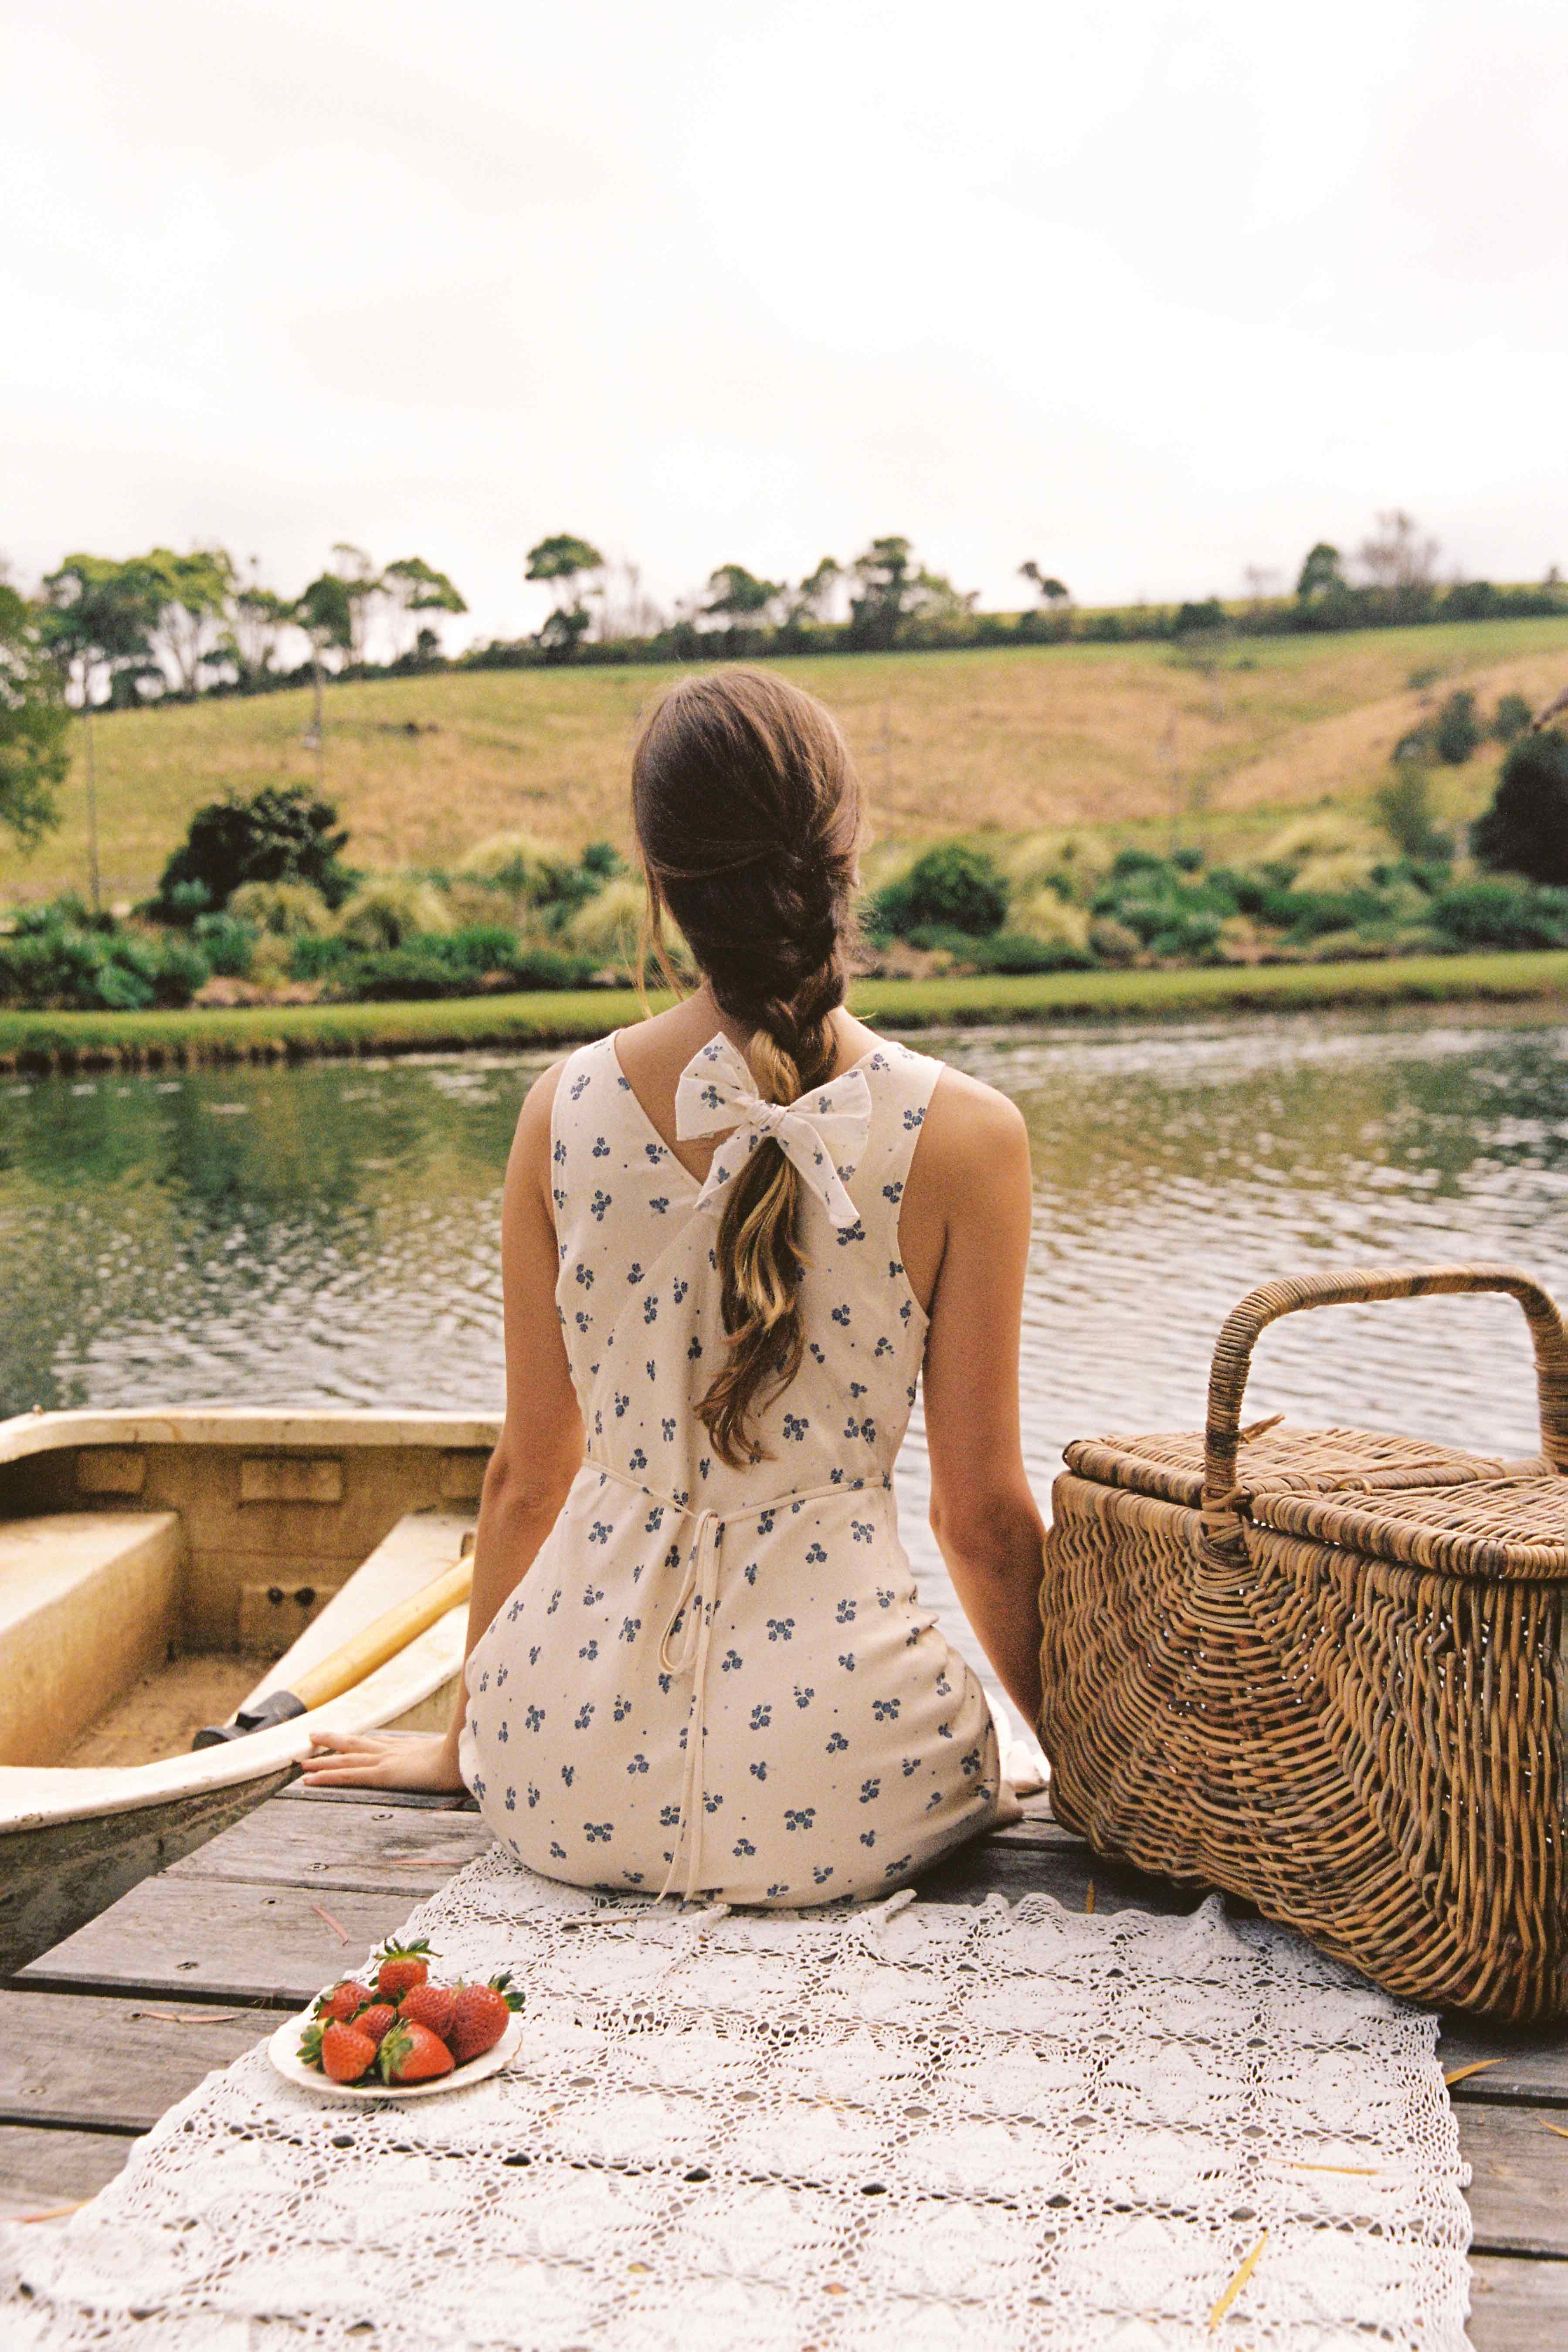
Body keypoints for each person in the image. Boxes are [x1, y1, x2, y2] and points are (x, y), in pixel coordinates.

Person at [304, 668, 1045, 1905]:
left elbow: (527, 1477)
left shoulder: (563, 1113)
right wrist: (1087, 1760)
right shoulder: (968, 1137)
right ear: (846, 851)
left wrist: (460, 1745)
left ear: (658, 880)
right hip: (848, 1781)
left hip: (561, 1771)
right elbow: (983, 1523)